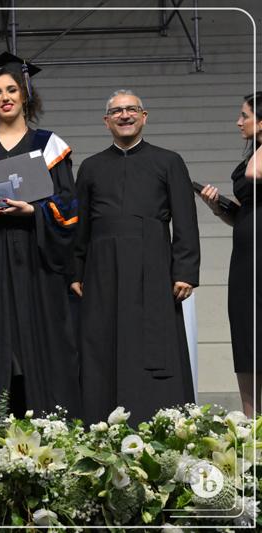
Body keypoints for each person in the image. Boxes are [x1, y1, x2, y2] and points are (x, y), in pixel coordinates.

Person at [0, 53, 81, 418]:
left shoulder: (50, 145)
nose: (5, 97)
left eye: (11, 89)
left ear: (25, 94)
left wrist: (34, 211)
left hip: (37, 260)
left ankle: (52, 426)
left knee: (44, 342)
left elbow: (69, 208)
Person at [73, 90, 200, 425]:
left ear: (144, 116)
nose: (125, 115)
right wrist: (76, 271)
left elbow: (185, 220)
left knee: (153, 344)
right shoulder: (90, 167)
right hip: (102, 271)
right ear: (106, 121)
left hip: (153, 268)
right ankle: (101, 423)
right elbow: (80, 225)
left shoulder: (169, 161)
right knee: (102, 343)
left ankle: (158, 422)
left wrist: (185, 270)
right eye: (117, 111)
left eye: (131, 109)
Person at [198, 92, 261, 417]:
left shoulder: (256, 161)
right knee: (246, 334)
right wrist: (217, 207)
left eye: (245, 115)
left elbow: (254, 174)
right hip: (245, 260)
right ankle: (251, 421)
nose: (238, 122)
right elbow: (241, 214)